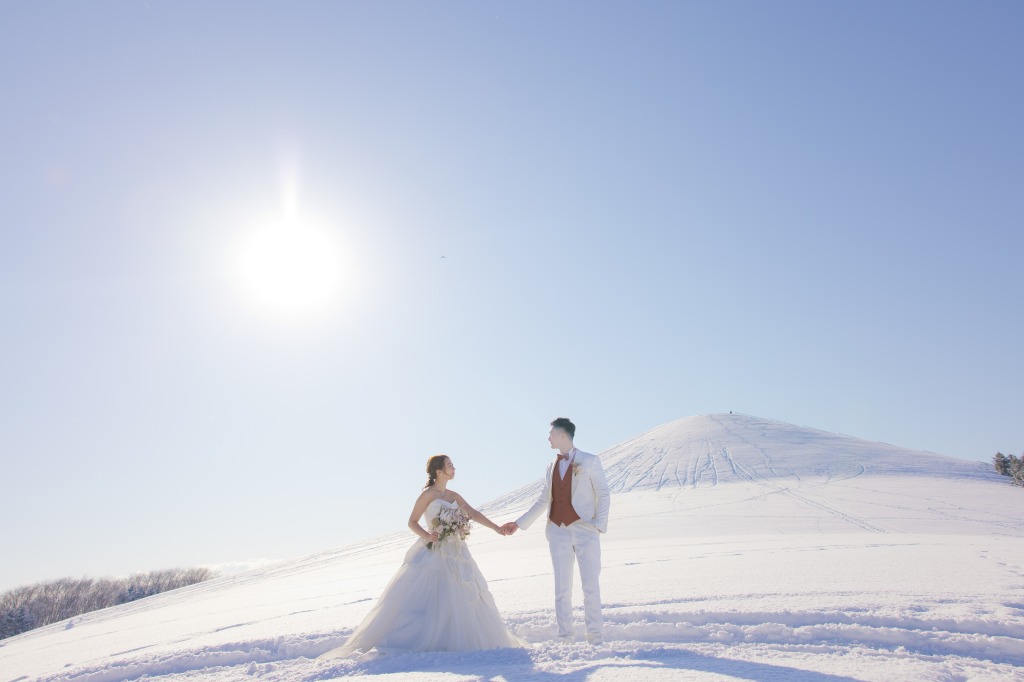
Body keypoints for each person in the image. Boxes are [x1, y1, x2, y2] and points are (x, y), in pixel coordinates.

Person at [318, 455, 525, 659]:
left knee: (463, 594)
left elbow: (472, 513)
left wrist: (496, 528)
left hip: (457, 550)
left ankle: (457, 638)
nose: (454, 468)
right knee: (430, 596)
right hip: (434, 550)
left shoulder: (454, 494)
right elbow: (412, 521)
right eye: (450, 465)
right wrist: (428, 535)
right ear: (439, 471)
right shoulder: (427, 495)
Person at [501, 418, 610, 645]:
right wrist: (518, 523)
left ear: (563, 435)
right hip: (557, 531)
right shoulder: (551, 466)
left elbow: (604, 493)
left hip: (584, 529)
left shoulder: (589, 461)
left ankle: (596, 637)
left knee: (590, 585)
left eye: (551, 434)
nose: (548, 438)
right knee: (562, 587)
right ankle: (565, 638)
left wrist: (599, 525)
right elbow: (543, 500)